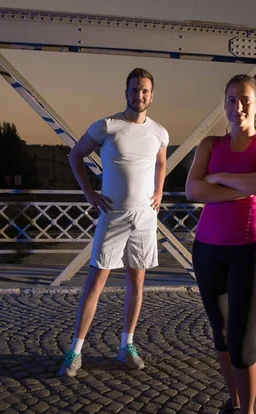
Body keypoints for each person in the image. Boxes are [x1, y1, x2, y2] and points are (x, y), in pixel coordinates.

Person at [185, 74, 256, 414]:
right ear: (224, 103)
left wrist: (221, 178)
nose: (237, 106)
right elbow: (193, 190)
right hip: (208, 248)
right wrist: (246, 182)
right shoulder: (209, 144)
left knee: (243, 343)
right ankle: (234, 403)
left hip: (250, 249)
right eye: (231, 99)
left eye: (245, 99)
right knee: (222, 337)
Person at [58, 68, 169, 378]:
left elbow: (161, 162)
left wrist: (160, 190)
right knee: (95, 283)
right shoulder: (107, 126)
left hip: (145, 219)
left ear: (152, 94)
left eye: (145, 90)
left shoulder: (160, 132)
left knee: (137, 284)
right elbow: (75, 156)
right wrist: (89, 192)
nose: (140, 95)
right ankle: (75, 351)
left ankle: (126, 346)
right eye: (134, 89)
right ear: (126, 92)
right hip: (113, 216)